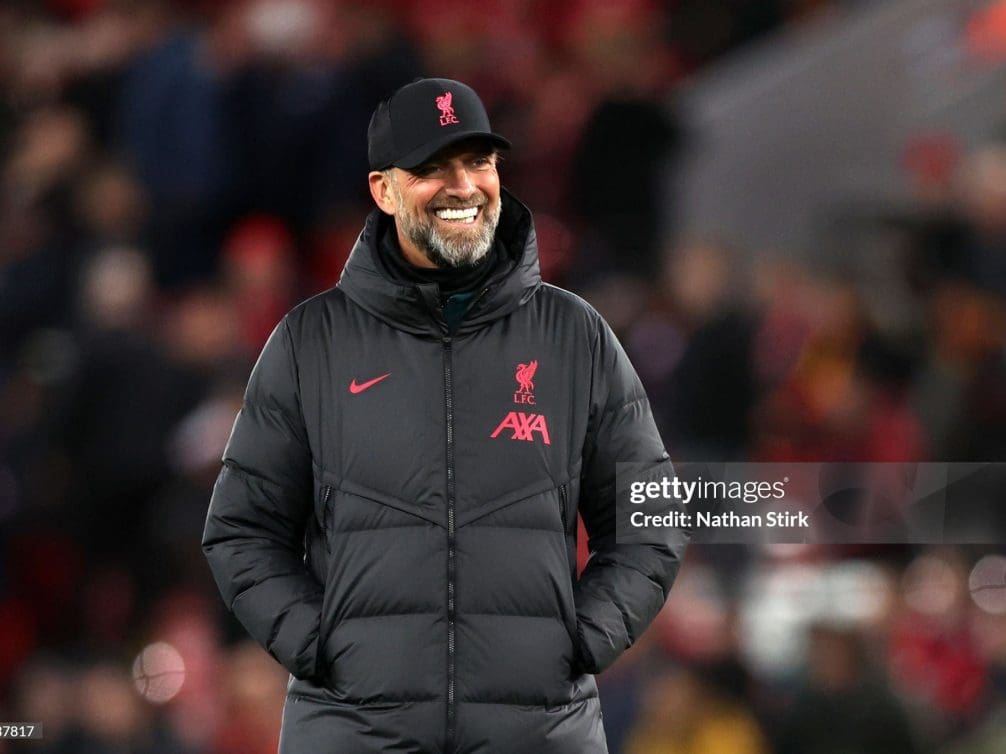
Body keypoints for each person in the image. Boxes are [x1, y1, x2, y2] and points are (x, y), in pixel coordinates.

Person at [202, 77, 688, 753]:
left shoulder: (574, 335)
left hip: (537, 732)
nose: (463, 186)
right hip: (355, 733)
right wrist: (321, 648)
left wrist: (579, 642)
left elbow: (652, 514)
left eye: (478, 163)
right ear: (383, 190)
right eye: (432, 168)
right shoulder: (311, 343)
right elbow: (241, 530)